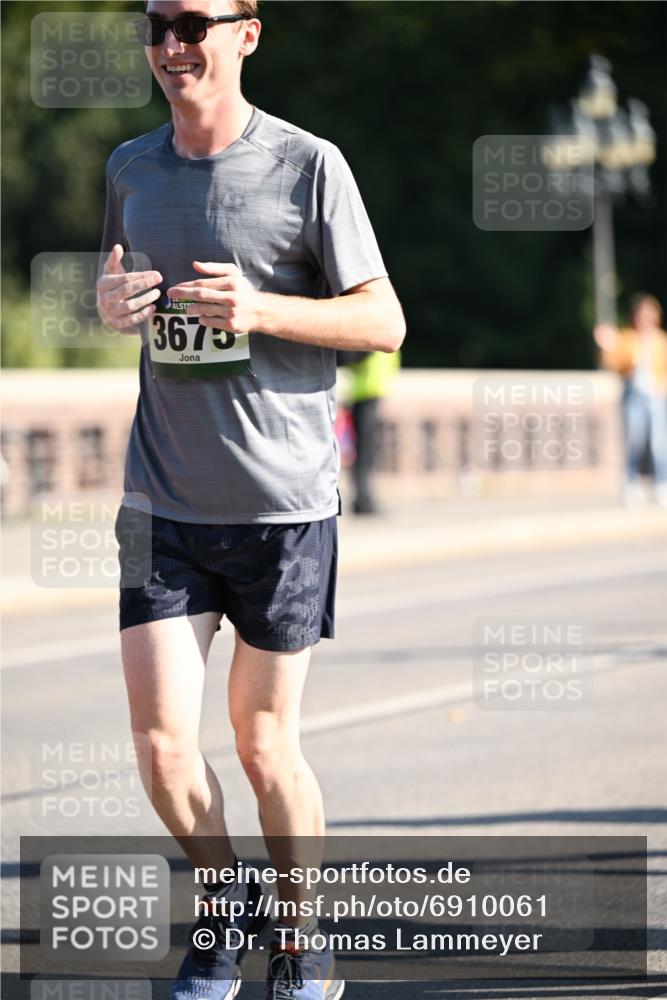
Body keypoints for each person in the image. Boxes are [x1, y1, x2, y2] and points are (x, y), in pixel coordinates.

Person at [95, 2, 405, 998]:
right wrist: (109, 308)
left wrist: (259, 307)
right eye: (156, 25)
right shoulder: (130, 168)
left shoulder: (309, 164)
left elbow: (384, 323)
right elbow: (122, 292)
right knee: (160, 748)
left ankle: (303, 942)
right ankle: (224, 910)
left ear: (247, 34)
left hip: (282, 509)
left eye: (194, 23)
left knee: (264, 746)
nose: (171, 45)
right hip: (160, 503)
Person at [594, 293, 667, 509]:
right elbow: (613, 363)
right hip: (633, 397)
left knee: (659, 444)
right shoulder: (627, 339)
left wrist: (662, 386)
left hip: (655, 398)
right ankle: (631, 485)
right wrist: (607, 346)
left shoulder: (661, 341)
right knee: (633, 442)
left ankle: (661, 485)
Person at [337, 349, 400, 514]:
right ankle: (363, 499)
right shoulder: (374, 338)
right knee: (364, 451)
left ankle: (364, 498)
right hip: (365, 391)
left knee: (367, 450)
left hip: (370, 391)